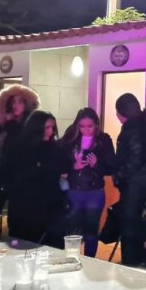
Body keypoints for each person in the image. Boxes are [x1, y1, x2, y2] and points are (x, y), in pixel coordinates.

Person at [61, 108, 115, 258]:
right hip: (74, 190)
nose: (86, 130)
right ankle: (71, 258)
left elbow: (111, 166)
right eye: (82, 126)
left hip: (94, 190)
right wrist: (73, 167)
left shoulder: (104, 140)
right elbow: (60, 162)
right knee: (72, 229)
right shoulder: (71, 138)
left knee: (91, 229)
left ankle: (89, 260)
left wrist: (96, 164)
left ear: (96, 125)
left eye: (89, 126)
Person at [5, 110, 65, 245]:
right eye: (47, 128)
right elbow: (15, 176)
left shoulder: (55, 148)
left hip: (50, 207)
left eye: (52, 128)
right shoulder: (21, 148)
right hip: (26, 207)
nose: (50, 132)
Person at [0, 84, 40, 216]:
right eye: (13, 102)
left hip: (19, 184)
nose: (15, 105)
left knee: (16, 219)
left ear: (26, 104)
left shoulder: (29, 131)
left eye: (20, 102)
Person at [113, 93, 146, 267]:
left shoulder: (132, 128)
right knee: (138, 224)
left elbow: (136, 157)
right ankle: (138, 260)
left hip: (135, 184)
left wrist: (119, 175)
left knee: (129, 224)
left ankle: (130, 262)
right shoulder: (145, 125)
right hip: (144, 182)